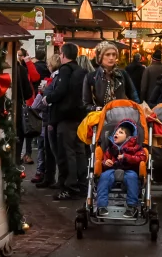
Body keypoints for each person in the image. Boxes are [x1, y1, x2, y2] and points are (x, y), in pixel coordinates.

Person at [47, 43, 89, 200]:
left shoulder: (65, 70)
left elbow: (60, 91)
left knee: (67, 152)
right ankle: (82, 184)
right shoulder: (81, 71)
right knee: (79, 151)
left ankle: (69, 186)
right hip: (79, 116)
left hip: (65, 116)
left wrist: (47, 98)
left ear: (63, 55)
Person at [94, 121, 147, 217]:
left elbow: (142, 158)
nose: (117, 133)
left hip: (130, 169)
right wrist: (105, 162)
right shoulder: (111, 148)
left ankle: (132, 206)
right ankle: (101, 206)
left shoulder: (135, 148)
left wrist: (126, 157)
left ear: (128, 138)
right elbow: (105, 158)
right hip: (112, 169)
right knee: (104, 177)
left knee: (132, 178)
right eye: (116, 132)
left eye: (121, 132)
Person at [33, 54, 63, 187]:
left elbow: (50, 96)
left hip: (50, 116)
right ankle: (48, 176)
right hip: (49, 116)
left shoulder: (55, 78)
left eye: (49, 64)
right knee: (47, 148)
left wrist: (44, 92)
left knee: (49, 148)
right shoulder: (54, 77)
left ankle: (50, 176)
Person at [83, 41, 140, 110]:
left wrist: (137, 109)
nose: (111, 58)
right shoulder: (90, 77)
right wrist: (96, 108)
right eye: (107, 54)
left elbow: (133, 96)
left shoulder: (122, 74)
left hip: (121, 116)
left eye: (114, 54)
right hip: (101, 117)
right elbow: (86, 104)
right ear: (100, 57)